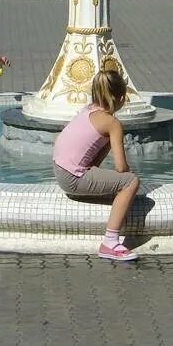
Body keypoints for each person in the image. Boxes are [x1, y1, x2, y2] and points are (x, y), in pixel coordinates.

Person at [52, 70, 141, 261]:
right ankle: (109, 243)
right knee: (131, 182)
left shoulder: (88, 110)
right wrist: (126, 175)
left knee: (108, 150)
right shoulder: (112, 123)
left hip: (61, 170)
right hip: (73, 178)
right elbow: (120, 167)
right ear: (122, 97)